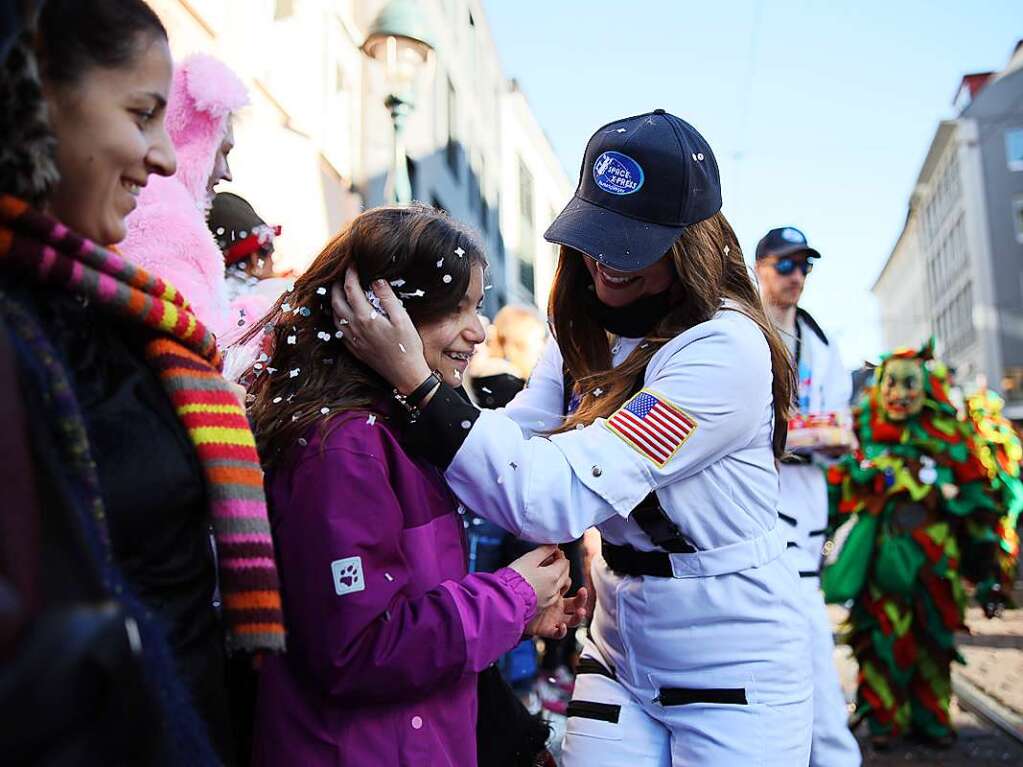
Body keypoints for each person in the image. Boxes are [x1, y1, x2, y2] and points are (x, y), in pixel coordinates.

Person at [332, 109, 813, 766]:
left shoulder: (724, 350)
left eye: (632, 243)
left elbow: (550, 494)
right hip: (619, 649)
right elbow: (514, 443)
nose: (604, 261)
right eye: (597, 234)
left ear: (688, 244)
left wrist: (418, 382)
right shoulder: (580, 326)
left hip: (736, 667)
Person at [0, 2, 283, 764]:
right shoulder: (27, 324)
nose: (163, 158)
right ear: (33, 95)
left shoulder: (108, 313)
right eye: (141, 113)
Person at [247, 203, 586, 767]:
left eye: (477, 307)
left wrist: (516, 617)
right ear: (383, 314)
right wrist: (513, 594)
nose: (478, 332)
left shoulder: (390, 429)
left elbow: (409, 602)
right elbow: (357, 650)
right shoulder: (345, 447)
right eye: (455, 311)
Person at [825, 341, 1009, 750]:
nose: (900, 394)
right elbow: (834, 488)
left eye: (910, 384)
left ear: (925, 387)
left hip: (934, 556)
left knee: (933, 637)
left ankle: (931, 716)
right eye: (891, 383)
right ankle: (885, 720)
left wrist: (984, 556)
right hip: (883, 556)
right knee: (881, 638)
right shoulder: (861, 427)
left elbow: (977, 491)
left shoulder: (948, 432)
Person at [755, 226, 861, 767]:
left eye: (804, 266)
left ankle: (828, 755)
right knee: (781, 645)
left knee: (806, 638)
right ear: (760, 267)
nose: (796, 277)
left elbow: (840, 421)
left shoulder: (821, 340)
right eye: (785, 265)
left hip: (803, 513)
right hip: (751, 514)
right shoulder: (741, 328)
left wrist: (821, 435)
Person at [120, 52, 254, 342]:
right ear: (193, 144)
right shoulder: (161, 219)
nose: (227, 173)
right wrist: (265, 311)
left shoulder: (158, 210)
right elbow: (204, 345)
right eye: (223, 151)